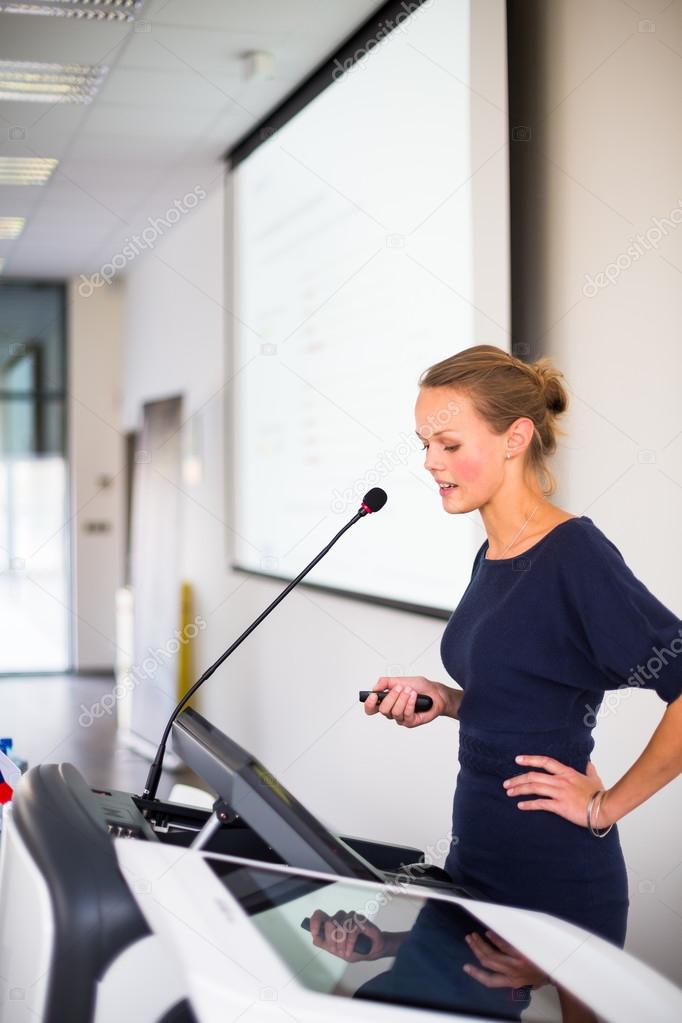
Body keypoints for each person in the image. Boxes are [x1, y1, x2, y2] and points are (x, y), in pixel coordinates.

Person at [364, 344, 682, 1010]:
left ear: (516, 437)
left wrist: (605, 805)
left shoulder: (574, 553)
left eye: (448, 443)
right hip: (477, 859)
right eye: (425, 444)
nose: (429, 463)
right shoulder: (493, 551)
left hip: (556, 874)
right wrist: (448, 700)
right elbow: (528, 685)